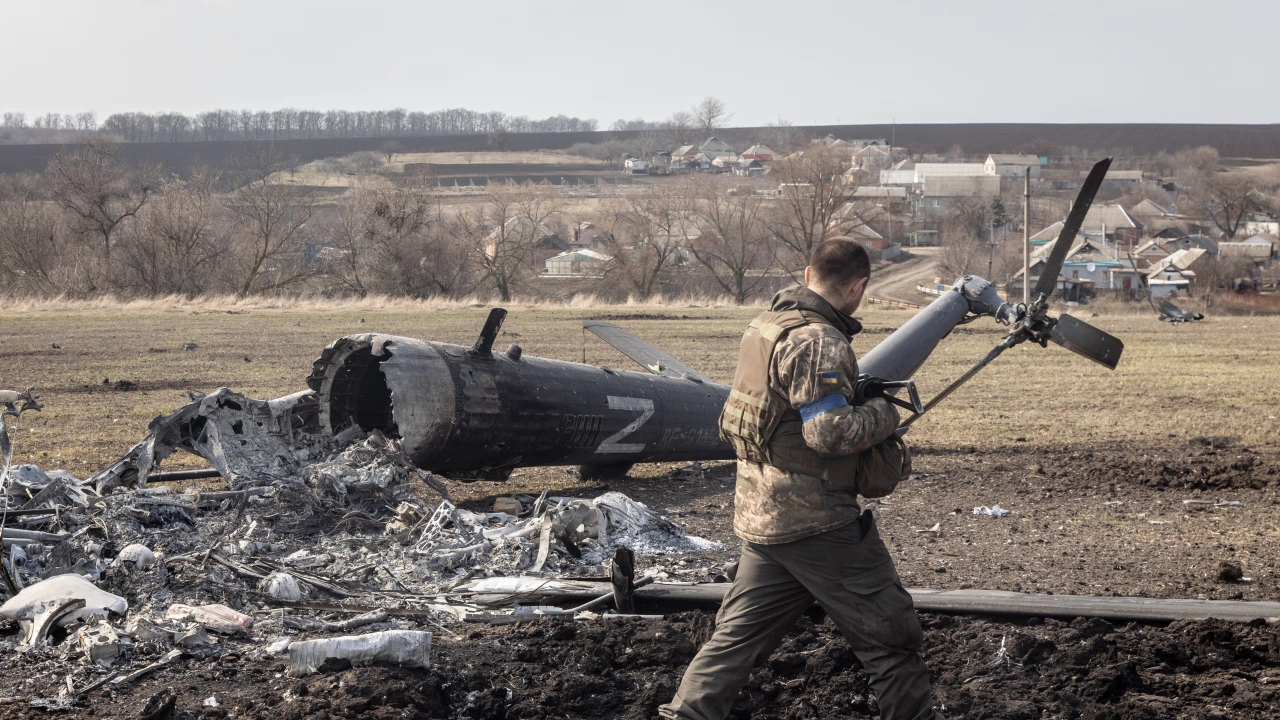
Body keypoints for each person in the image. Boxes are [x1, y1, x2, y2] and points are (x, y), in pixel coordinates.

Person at [660, 239, 944, 720]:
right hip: (818, 522)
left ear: (808, 274)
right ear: (858, 287)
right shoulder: (819, 341)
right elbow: (830, 433)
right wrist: (884, 412)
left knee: (734, 642)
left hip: (762, 515)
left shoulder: (766, 325)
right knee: (890, 639)